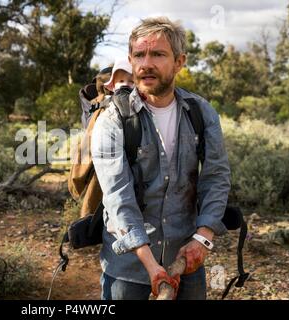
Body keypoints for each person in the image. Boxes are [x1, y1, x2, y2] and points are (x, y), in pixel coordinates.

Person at [91, 17, 231, 300]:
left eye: (158, 54)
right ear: (130, 60)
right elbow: (119, 198)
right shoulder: (113, 120)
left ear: (179, 61)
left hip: (187, 259)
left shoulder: (201, 113)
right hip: (128, 266)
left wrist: (202, 240)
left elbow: (216, 177)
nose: (146, 64)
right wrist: (151, 265)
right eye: (139, 55)